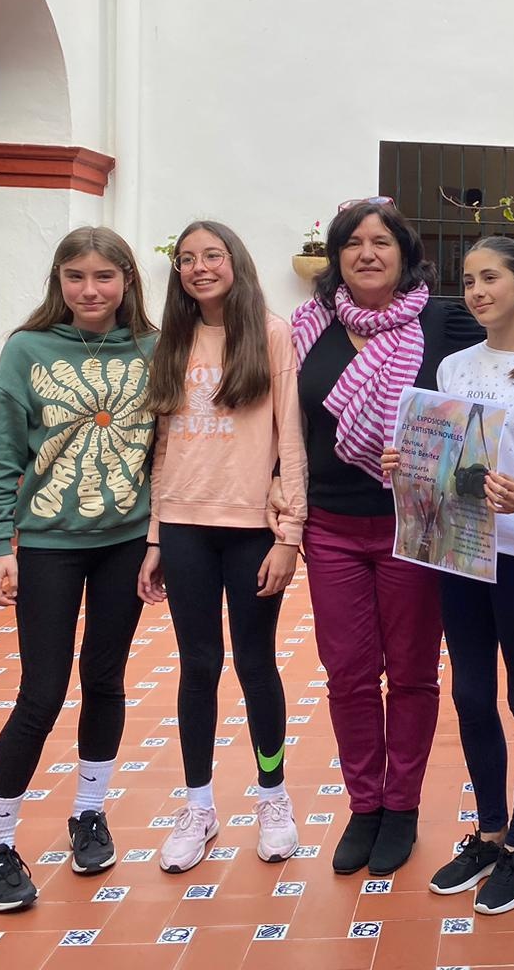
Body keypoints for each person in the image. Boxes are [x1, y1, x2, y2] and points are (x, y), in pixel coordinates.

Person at [293, 196, 514, 878]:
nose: (367, 253)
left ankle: (416, 812)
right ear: (335, 255)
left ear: (405, 255)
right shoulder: (305, 327)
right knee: (355, 673)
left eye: (381, 240)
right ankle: (368, 806)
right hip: (338, 523)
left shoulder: (440, 320)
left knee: (418, 672)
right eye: (352, 241)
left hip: (427, 532)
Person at [380, 236, 514, 915]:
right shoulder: (453, 368)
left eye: (491, 277)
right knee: (470, 695)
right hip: (459, 551)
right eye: (468, 280)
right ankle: (491, 832)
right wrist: (405, 466)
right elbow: (443, 458)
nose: (477, 291)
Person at [0, 227, 158, 912]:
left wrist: (159, 540)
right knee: (41, 693)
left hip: (127, 543)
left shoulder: (153, 348)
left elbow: (167, 451)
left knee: (104, 680)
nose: (90, 291)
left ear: (127, 281)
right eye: (76, 277)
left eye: (105, 277)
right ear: (59, 282)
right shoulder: (27, 350)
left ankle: (89, 812)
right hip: (48, 543)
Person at [137, 221, 306, 871]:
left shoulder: (270, 332)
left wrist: (289, 534)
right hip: (184, 529)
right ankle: (200, 808)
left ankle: (273, 799)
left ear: (235, 261)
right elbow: (164, 446)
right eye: (186, 259)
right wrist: (155, 537)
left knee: (256, 664)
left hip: (252, 531)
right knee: (198, 665)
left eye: (212, 255)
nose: (199, 267)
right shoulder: (171, 340)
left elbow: (289, 439)